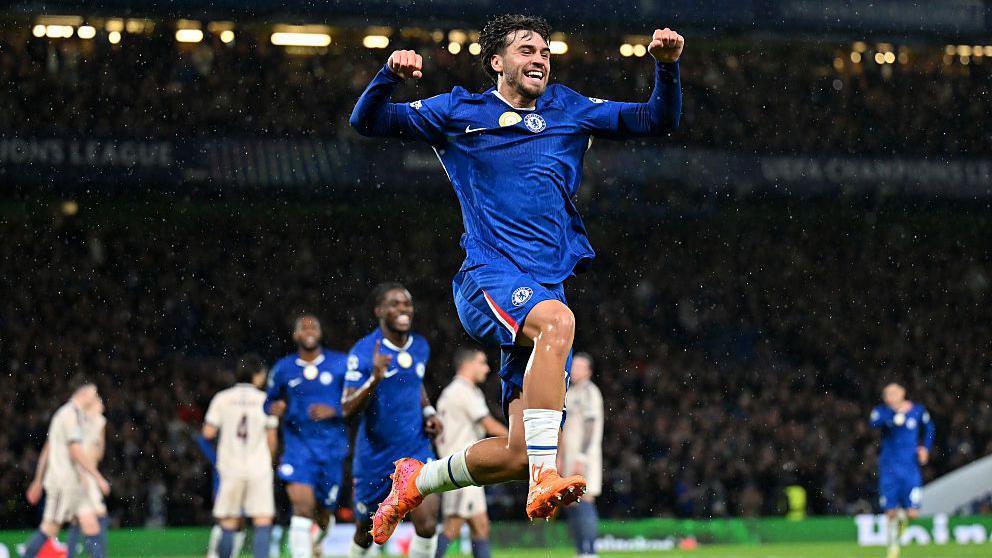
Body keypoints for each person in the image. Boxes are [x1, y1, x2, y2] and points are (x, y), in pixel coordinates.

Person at [350, 12, 683, 542]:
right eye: (527, 51)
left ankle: (419, 479)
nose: (540, 59)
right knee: (558, 324)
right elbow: (368, 121)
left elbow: (656, 120)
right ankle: (544, 475)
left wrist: (667, 69)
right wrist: (387, 75)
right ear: (496, 63)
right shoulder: (461, 111)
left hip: (543, 289)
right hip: (489, 278)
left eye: (546, 52)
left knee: (515, 453)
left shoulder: (569, 108)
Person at [342, 283, 442, 558]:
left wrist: (429, 412)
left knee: (427, 524)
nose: (403, 309)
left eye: (407, 304)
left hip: (416, 450)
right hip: (376, 457)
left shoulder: (420, 346)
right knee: (366, 531)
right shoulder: (363, 353)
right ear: (379, 311)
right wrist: (374, 378)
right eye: (395, 304)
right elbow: (347, 408)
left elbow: (415, 384)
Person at [265, 315, 350, 558]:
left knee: (324, 513)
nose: (309, 330)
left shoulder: (340, 364)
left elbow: (359, 401)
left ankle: (319, 539)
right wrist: (273, 408)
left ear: (320, 333)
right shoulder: (283, 368)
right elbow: (268, 401)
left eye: (314, 326)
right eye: (304, 327)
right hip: (298, 449)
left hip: (332, 449)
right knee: (302, 510)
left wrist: (335, 409)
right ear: (295, 335)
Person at [23, 377, 110, 558]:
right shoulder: (69, 415)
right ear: (83, 393)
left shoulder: (74, 415)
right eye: (93, 394)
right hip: (63, 483)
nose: (94, 398)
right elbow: (75, 451)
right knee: (49, 528)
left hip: (73, 483)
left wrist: (38, 481)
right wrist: (98, 477)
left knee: (90, 523)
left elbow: (48, 448)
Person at [203, 354, 280, 558]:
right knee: (262, 520)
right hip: (258, 466)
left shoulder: (222, 398)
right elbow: (271, 438)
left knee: (228, 521)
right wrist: (270, 462)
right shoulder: (265, 400)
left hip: (230, 466)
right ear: (257, 375)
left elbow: (208, 433)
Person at [434, 348, 509, 558]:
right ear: (468, 365)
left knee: (481, 526)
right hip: (460, 467)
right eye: (482, 363)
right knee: (453, 526)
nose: (486, 368)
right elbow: (488, 424)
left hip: (464, 467)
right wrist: (519, 441)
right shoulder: (462, 391)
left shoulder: (455, 391)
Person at [869, 383, 935, 558]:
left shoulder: (918, 410)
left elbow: (929, 428)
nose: (890, 396)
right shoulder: (882, 412)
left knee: (913, 513)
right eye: (887, 394)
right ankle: (892, 547)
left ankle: (902, 523)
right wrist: (893, 417)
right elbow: (873, 423)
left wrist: (925, 448)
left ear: (903, 393)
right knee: (890, 512)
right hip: (889, 469)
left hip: (910, 469)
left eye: (893, 393)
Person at [560, 354, 604, 558]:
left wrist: (581, 457)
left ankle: (589, 551)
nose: (574, 370)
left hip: (583, 457)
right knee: (570, 502)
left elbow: (591, 427)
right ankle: (581, 551)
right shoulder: (571, 392)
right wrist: (560, 457)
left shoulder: (590, 392)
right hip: (569, 458)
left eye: (579, 367)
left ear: (588, 371)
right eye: (573, 366)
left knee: (585, 498)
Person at [65, 396, 109, 558]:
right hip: (84, 476)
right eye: (99, 402)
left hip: (83, 475)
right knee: (98, 516)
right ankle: (97, 555)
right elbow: (97, 454)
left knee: (79, 521)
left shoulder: (91, 422)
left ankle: (84, 554)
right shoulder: (94, 423)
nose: (102, 404)